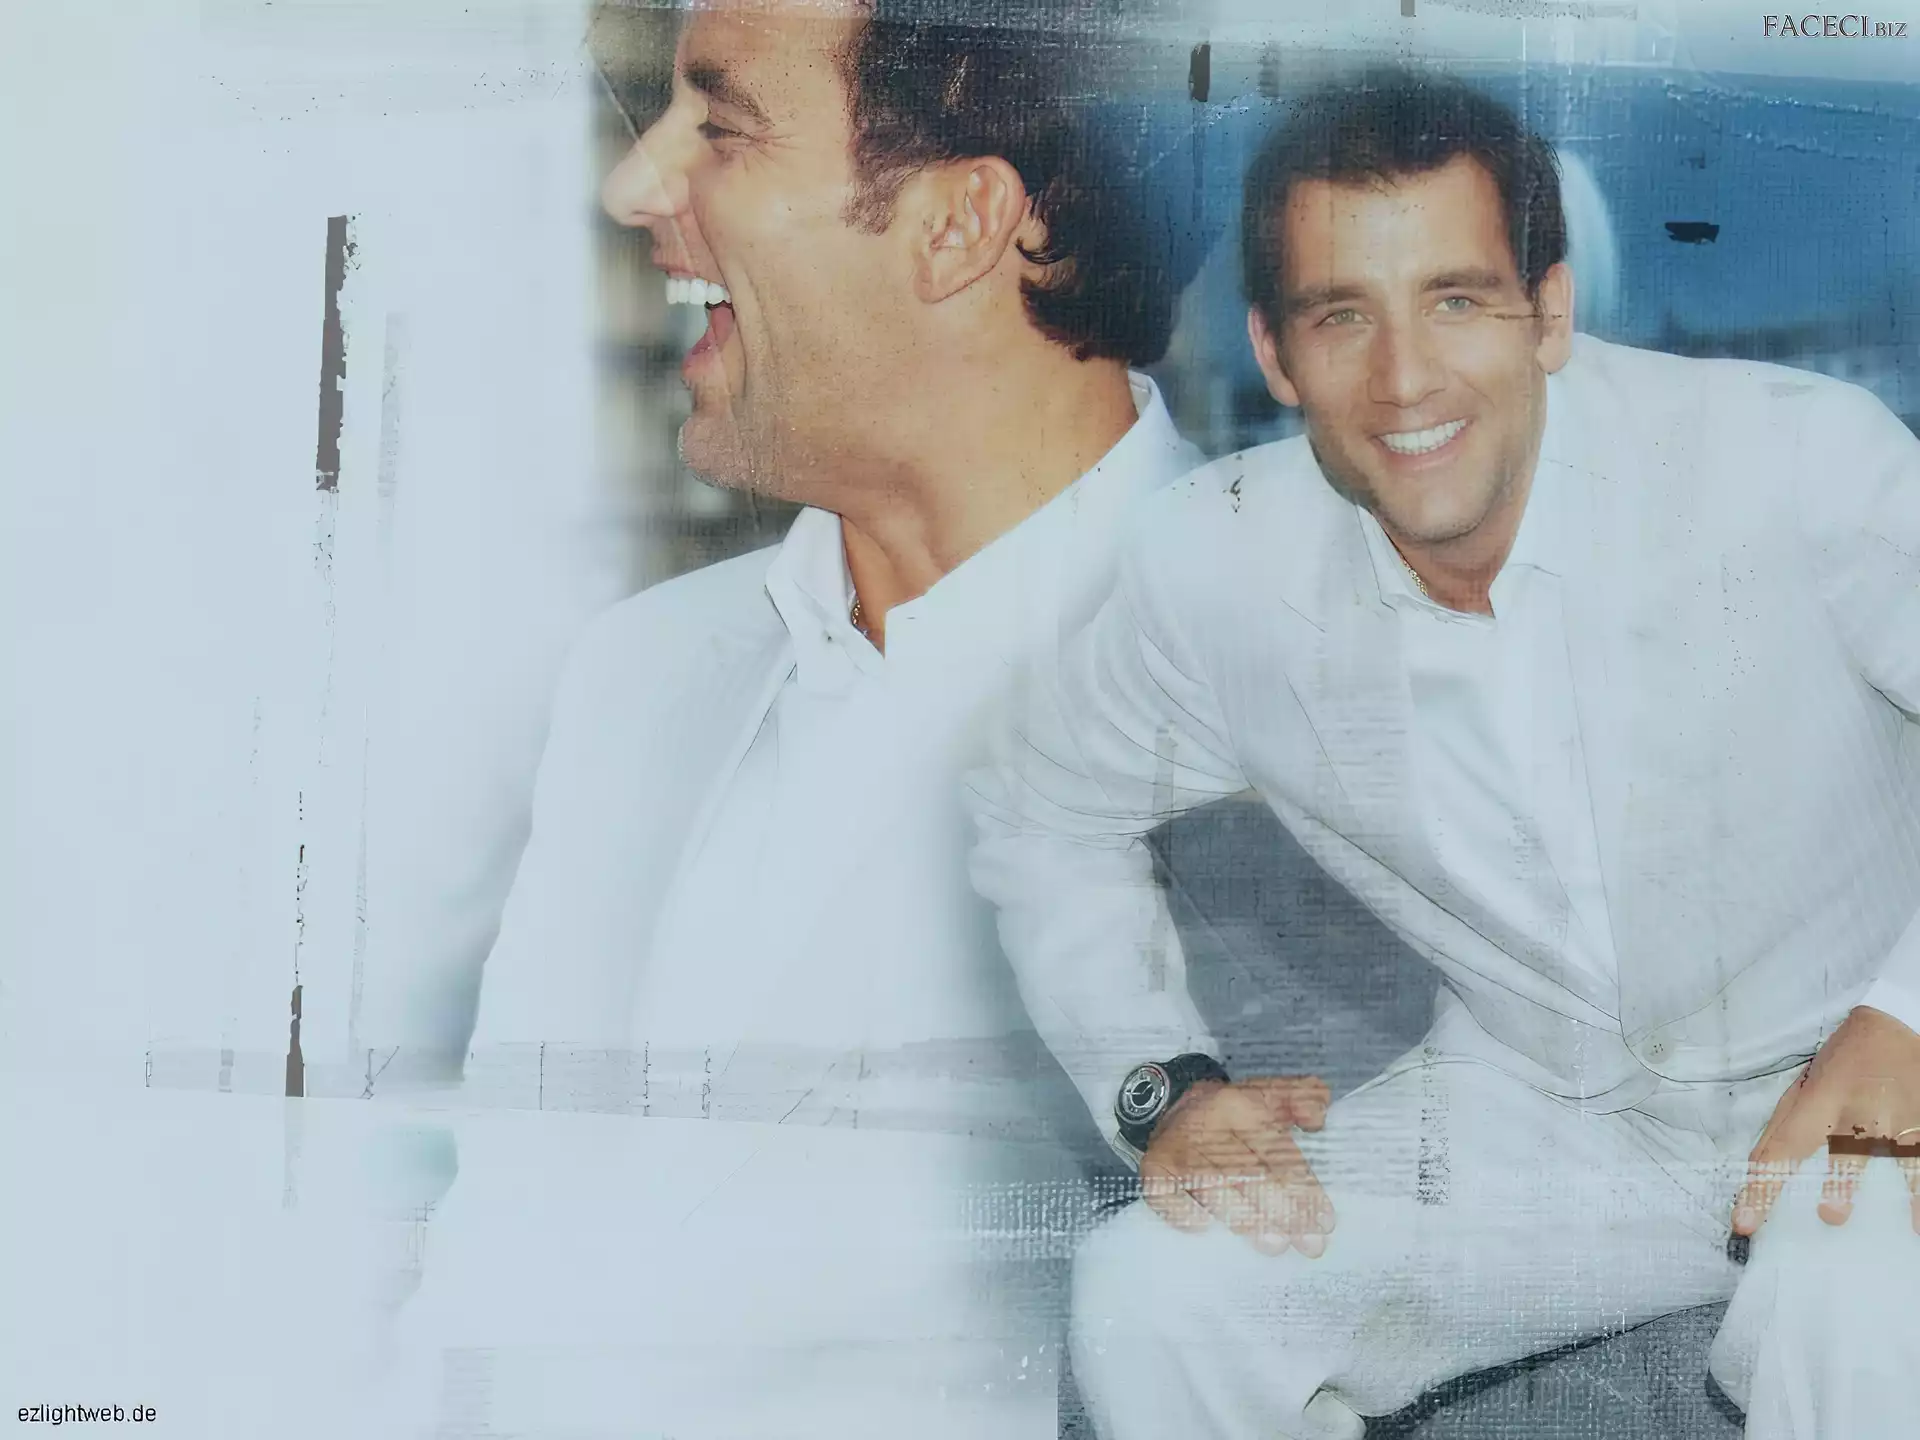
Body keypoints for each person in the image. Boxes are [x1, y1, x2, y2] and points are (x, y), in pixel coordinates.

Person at [968, 66, 1920, 1439]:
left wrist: (1906, 1015)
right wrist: (1160, 1085)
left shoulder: (1792, 460)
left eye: (1456, 300)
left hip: (1862, 1058)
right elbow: (1034, 807)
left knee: (1860, 1304)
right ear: (1275, 354)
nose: (1405, 378)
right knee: (1154, 1293)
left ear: (1551, 312)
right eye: (1342, 316)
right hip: (1547, 1112)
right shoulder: (1214, 566)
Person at [401, 1, 1204, 1436]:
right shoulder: (639, 678)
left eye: (721, 125)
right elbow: (488, 1286)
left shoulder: (1314, 711)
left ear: (960, 225)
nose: (635, 185)